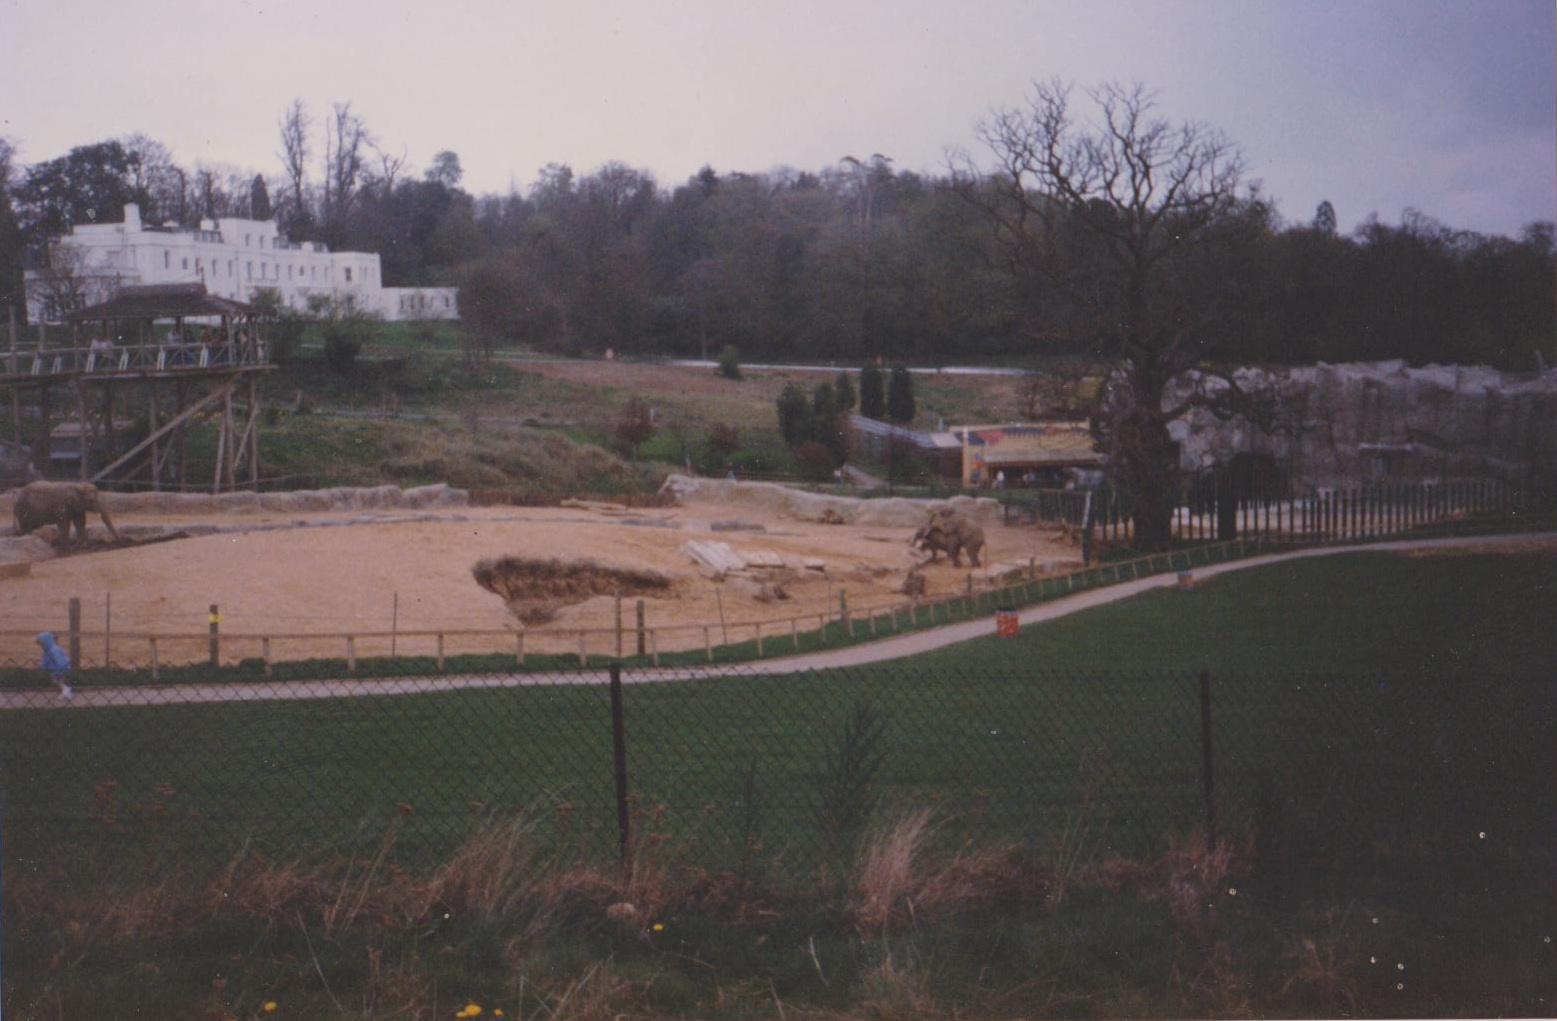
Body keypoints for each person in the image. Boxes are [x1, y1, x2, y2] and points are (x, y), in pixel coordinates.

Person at [37, 631, 71, 699]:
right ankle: (65, 690)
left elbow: (59, 658)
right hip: (56, 669)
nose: (41, 646)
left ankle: (66, 690)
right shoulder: (48, 650)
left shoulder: (54, 649)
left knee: (57, 680)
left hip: (59, 669)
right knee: (57, 680)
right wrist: (42, 666)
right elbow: (45, 660)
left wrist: (62, 666)